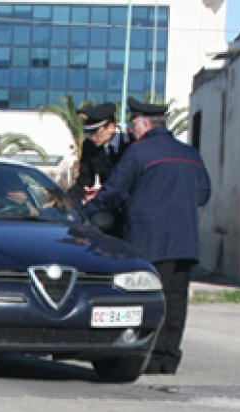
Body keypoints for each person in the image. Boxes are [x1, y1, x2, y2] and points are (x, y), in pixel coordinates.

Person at [84, 97, 211, 375]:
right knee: (176, 300)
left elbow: (114, 192)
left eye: (133, 124)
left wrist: (86, 213)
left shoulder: (139, 153)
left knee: (151, 300)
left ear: (142, 124)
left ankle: (150, 357)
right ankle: (169, 357)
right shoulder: (189, 153)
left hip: (150, 241)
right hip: (186, 241)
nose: (131, 130)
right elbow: (204, 193)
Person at [66, 102, 123, 204]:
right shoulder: (89, 146)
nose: (91, 137)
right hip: (107, 204)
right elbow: (84, 181)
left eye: (94, 132)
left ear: (111, 127)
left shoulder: (132, 143)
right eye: (88, 133)